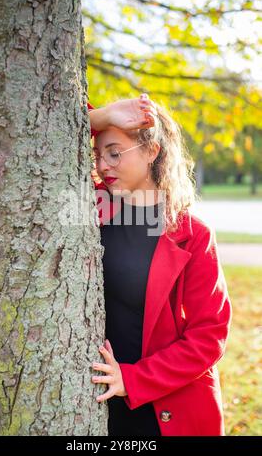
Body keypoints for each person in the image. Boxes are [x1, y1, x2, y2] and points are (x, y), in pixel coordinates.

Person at [87, 95, 232, 436]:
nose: (103, 165)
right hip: (95, 403)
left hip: (166, 408)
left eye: (114, 152)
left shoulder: (193, 235)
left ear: (152, 151)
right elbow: (45, 123)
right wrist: (104, 116)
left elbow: (208, 336)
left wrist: (131, 379)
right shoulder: (91, 208)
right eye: (97, 155)